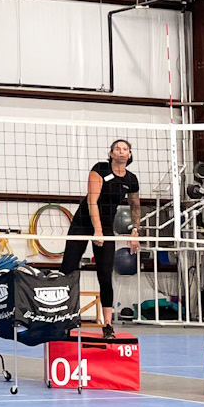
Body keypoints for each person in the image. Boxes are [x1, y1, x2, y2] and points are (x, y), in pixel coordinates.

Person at [57, 139, 141, 337]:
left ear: (129, 155)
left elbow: (135, 207)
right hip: (83, 224)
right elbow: (91, 201)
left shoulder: (131, 179)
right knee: (68, 269)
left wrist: (135, 231)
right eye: (117, 149)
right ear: (111, 153)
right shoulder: (100, 169)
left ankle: (108, 326)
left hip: (106, 226)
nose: (121, 152)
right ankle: (62, 319)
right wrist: (97, 230)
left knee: (105, 274)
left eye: (125, 149)